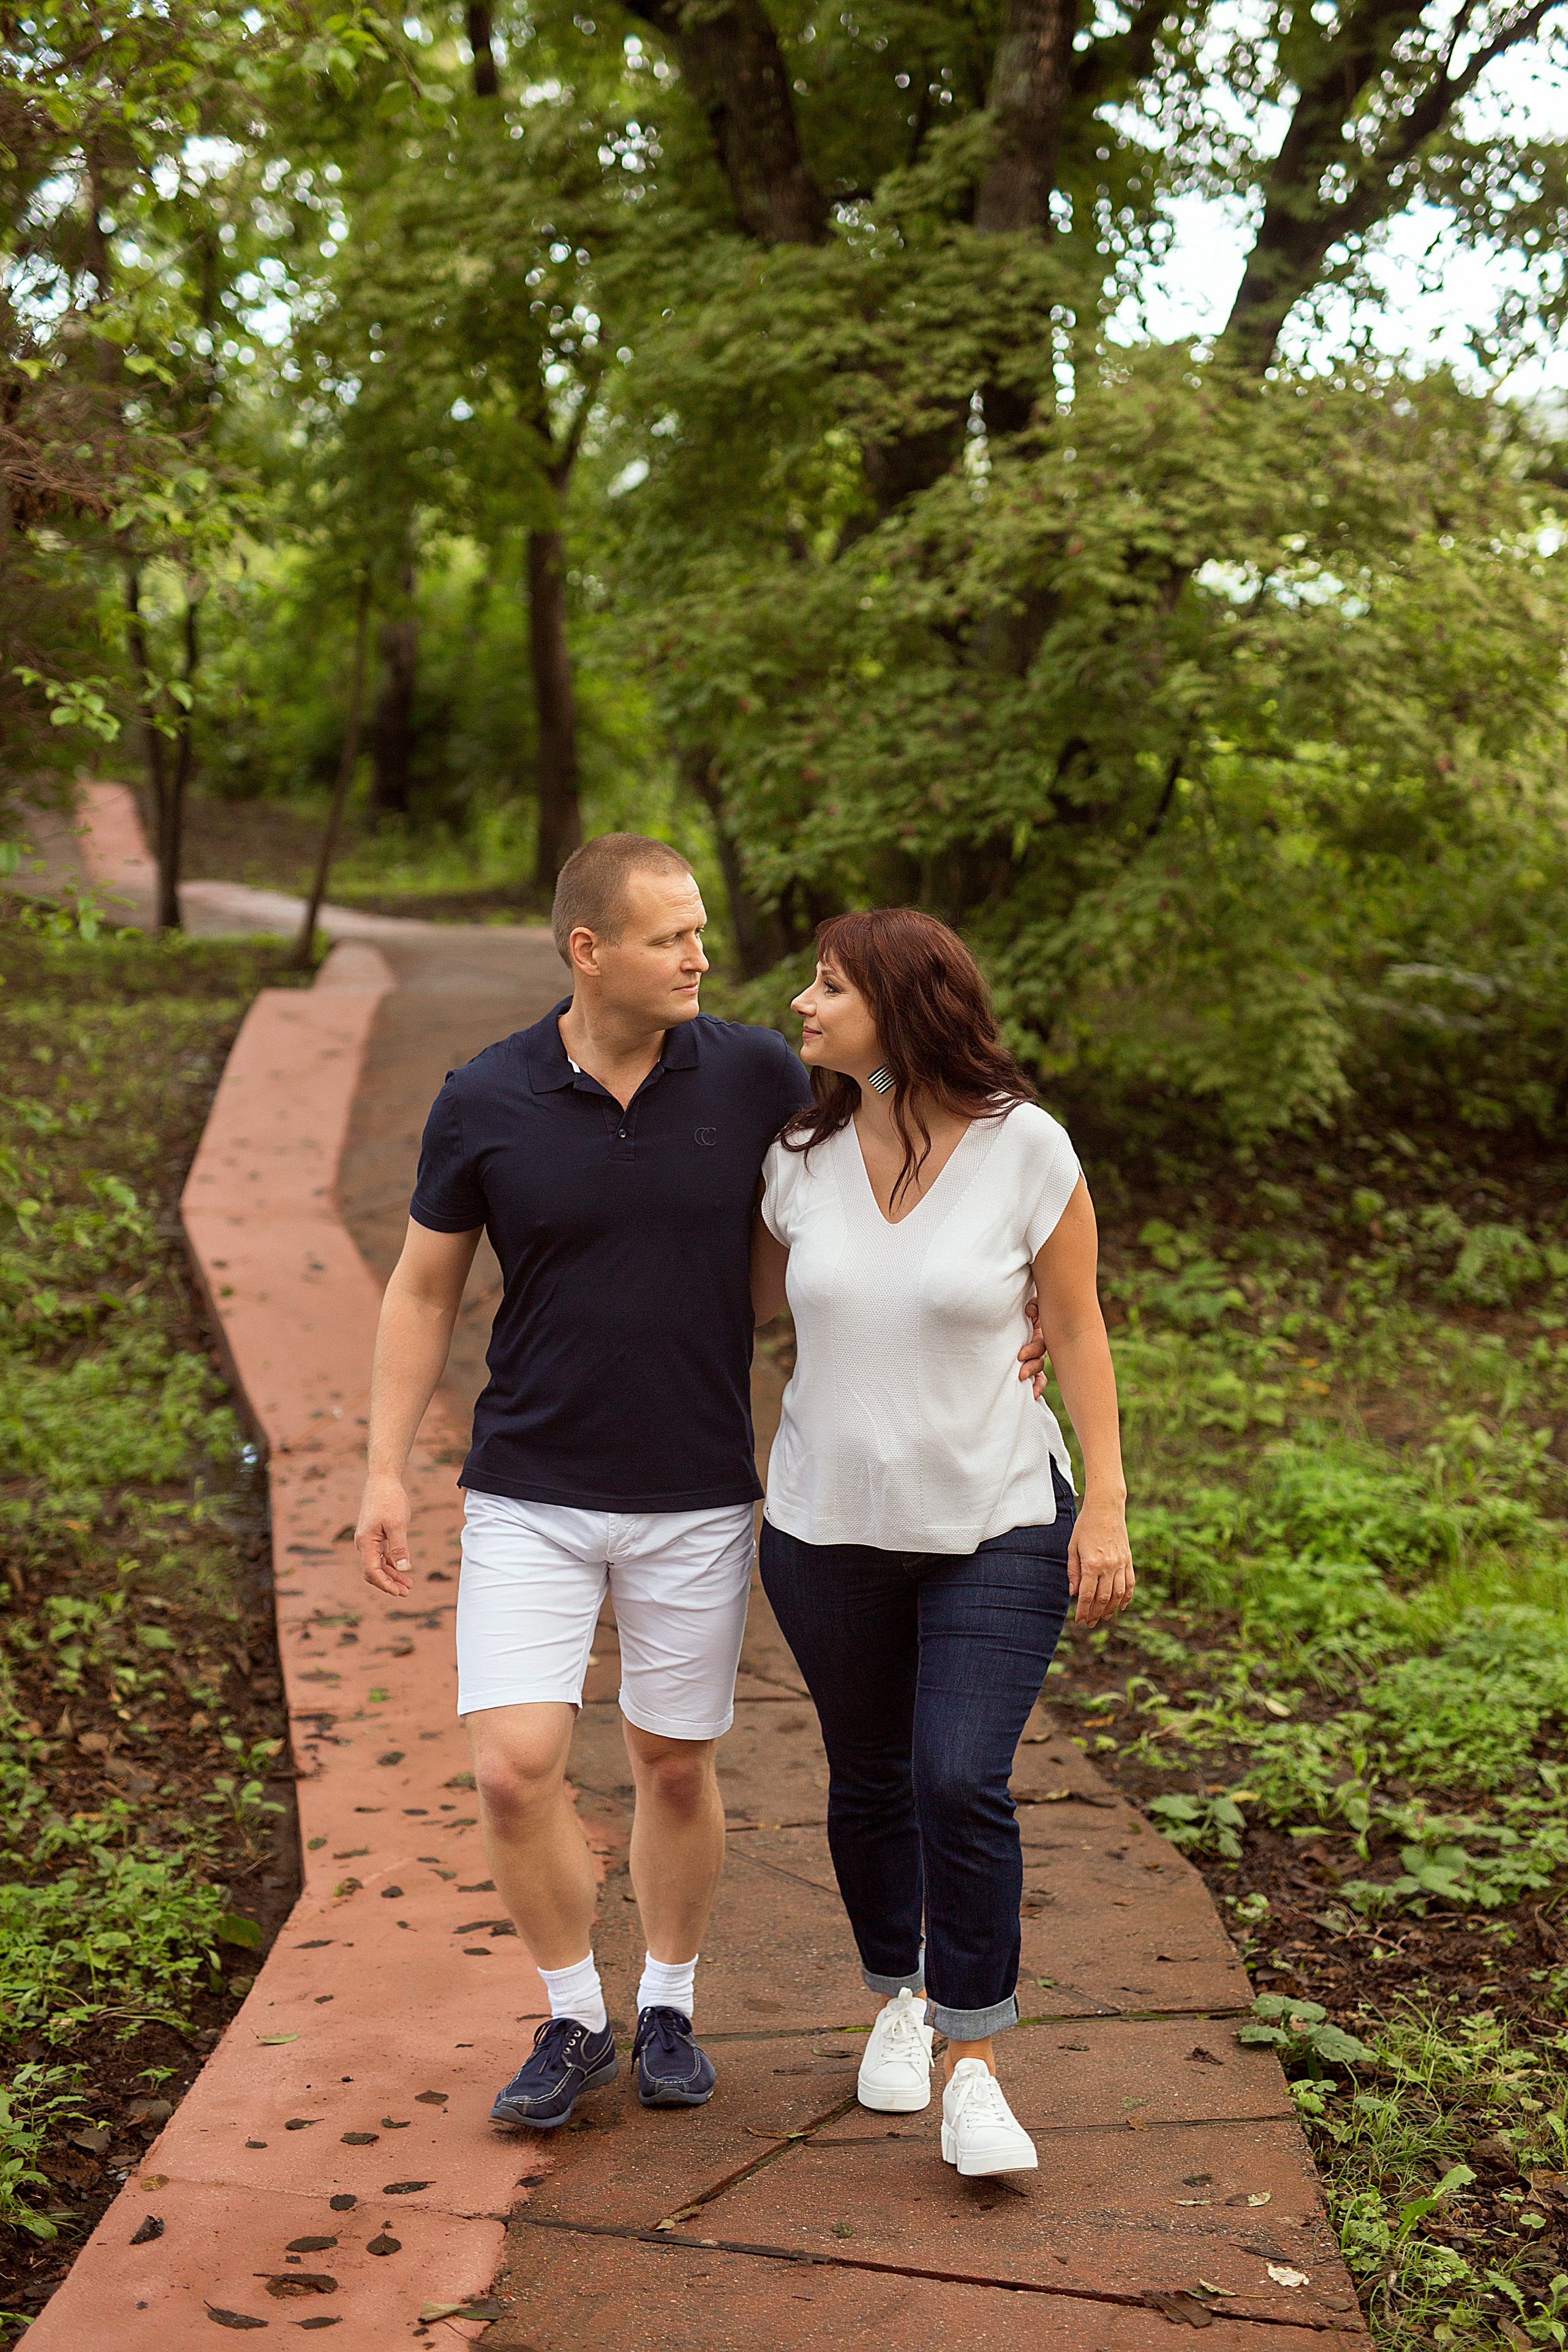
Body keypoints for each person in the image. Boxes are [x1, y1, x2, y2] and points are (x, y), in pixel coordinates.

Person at [355, 835, 1050, 2132]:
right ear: (587, 949)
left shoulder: (754, 1073)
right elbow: (424, 1285)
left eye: (698, 931)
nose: (700, 956)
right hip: (530, 1479)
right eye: (670, 936)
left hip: (696, 1488)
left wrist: (1032, 1296)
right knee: (514, 1768)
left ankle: (667, 2003)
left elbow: (916, 1136)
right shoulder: (483, 1095)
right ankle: (573, 2016)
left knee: (674, 1761)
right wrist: (383, 1470)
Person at [750, 906, 1135, 2180]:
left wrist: (1111, 1503)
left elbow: (1073, 1327)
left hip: (996, 1517)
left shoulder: (1024, 1148)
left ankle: (974, 2061)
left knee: (956, 1778)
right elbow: (739, 1303)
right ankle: (897, 1999)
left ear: (904, 1007)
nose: (803, 1006)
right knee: (868, 1776)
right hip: (824, 1523)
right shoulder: (794, 1157)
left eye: (828, 986)